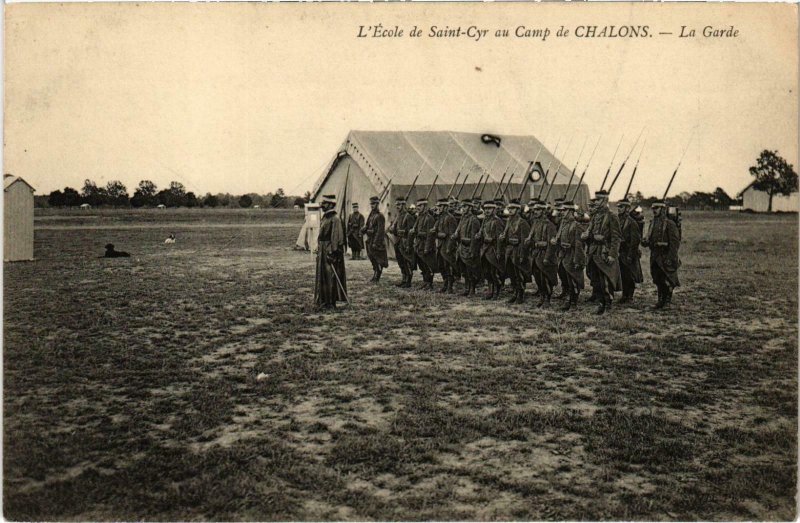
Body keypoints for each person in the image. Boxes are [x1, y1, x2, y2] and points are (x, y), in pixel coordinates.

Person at [581, 190, 621, 314]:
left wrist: (612, 255)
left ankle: (607, 304)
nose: (596, 202)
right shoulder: (595, 217)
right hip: (594, 252)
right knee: (596, 280)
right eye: (596, 200)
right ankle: (600, 303)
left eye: (598, 200)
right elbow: (590, 233)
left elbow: (616, 237)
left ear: (604, 201)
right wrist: (586, 235)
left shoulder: (612, 216)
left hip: (604, 251)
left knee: (605, 280)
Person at [642, 201, 681, 309]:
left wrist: (671, 257)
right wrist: (645, 242)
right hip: (655, 256)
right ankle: (660, 301)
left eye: (657, 208)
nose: (654, 210)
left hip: (666, 255)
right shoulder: (652, 223)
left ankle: (667, 302)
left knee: (667, 279)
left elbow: (675, 243)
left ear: (662, 209)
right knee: (658, 279)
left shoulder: (669, 223)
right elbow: (649, 239)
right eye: (653, 208)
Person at [314, 195, 347, 310]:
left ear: (331, 204)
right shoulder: (325, 217)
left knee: (330, 276)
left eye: (325, 203)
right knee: (322, 275)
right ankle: (323, 300)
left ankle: (331, 302)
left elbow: (337, 237)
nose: (322, 205)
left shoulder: (335, 219)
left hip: (329, 250)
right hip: (322, 249)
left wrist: (333, 253)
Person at [526, 200, 559, 308]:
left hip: (545, 255)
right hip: (536, 254)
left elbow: (552, 244)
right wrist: (529, 241)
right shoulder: (535, 223)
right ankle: (542, 297)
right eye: (535, 209)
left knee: (546, 279)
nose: (535, 212)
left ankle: (547, 300)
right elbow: (532, 238)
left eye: (538, 209)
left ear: (544, 211)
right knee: (538, 278)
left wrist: (547, 257)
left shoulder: (550, 225)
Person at [553, 201, 586, 310]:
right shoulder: (563, 224)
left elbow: (579, 245)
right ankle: (568, 298)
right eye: (561, 210)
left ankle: (573, 302)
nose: (562, 212)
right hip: (563, 254)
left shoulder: (576, 226)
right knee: (565, 277)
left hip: (572, 255)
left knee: (573, 280)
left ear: (571, 211)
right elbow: (559, 238)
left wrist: (577, 260)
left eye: (564, 210)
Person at [501, 198, 531, 304]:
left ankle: (521, 294)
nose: (510, 210)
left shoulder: (523, 223)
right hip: (510, 251)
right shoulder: (509, 221)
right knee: (512, 273)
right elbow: (506, 235)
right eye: (509, 208)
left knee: (519, 274)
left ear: (518, 210)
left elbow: (524, 241)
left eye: (513, 208)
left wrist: (523, 254)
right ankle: (515, 293)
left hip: (518, 250)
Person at [616, 198, 644, 304]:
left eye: (621, 207)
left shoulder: (632, 223)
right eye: (618, 207)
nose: (619, 209)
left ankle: (630, 296)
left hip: (629, 252)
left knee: (630, 275)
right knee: (622, 274)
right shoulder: (618, 220)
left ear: (627, 208)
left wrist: (630, 255)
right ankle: (624, 295)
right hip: (620, 252)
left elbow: (635, 240)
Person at [477, 201, 504, 299]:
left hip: (493, 250)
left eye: (489, 208)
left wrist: (498, 251)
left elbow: (500, 239)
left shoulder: (497, 221)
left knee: (494, 272)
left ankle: (497, 292)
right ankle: (490, 291)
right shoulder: (485, 220)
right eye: (486, 209)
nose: (487, 211)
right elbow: (481, 232)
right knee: (486, 272)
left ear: (494, 210)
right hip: (484, 249)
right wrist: (478, 235)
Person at [454, 199, 482, 296]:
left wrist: (472, 250)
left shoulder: (474, 220)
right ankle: (467, 288)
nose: (463, 209)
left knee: (471, 271)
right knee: (464, 270)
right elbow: (458, 231)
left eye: (465, 207)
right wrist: (456, 235)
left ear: (470, 207)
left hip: (469, 248)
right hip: (462, 247)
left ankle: (472, 289)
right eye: (462, 207)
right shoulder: (463, 219)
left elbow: (475, 239)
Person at [433, 198, 459, 293]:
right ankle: (445, 284)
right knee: (441, 266)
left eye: (440, 206)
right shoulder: (440, 218)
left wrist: (449, 247)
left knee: (448, 266)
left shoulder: (450, 218)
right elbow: (435, 229)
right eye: (438, 206)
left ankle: (449, 286)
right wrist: (435, 232)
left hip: (447, 246)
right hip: (440, 245)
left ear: (445, 207)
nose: (438, 208)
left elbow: (452, 235)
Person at [412, 198, 438, 290]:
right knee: (422, 265)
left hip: (426, 245)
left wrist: (427, 248)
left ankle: (429, 284)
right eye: (417, 206)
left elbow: (430, 236)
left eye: (420, 206)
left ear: (425, 206)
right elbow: (416, 229)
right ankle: (425, 282)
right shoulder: (419, 217)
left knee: (428, 265)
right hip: (419, 245)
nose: (418, 207)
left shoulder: (429, 218)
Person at [363, 196, 388, 283]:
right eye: (371, 204)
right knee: (372, 258)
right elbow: (367, 225)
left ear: (377, 204)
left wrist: (375, 242)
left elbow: (380, 231)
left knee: (378, 259)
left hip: (376, 242)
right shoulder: (371, 215)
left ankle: (377, 275)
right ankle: (375, 274)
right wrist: (364, 229)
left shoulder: (380, 216)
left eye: (374, 204)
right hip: (370, 240)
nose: (372, 206)